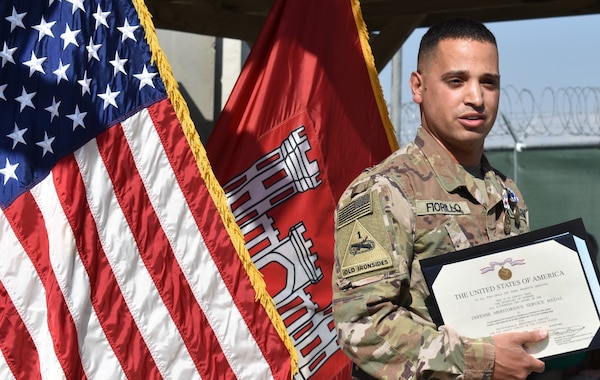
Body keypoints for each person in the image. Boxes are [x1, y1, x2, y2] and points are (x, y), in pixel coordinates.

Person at [332, 17, 548, 379]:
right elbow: (364, 327)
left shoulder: (505, 192)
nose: (476, 98)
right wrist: (486, 362)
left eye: (488, 83)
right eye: (456, 81)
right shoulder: (384, 190)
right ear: (418, 86)